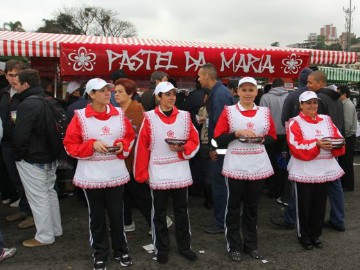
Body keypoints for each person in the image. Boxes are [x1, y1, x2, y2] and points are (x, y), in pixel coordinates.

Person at [63, 78, 135, 269]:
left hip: (114, 173)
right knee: (96, 216)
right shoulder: (80, 117)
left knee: (117, 214)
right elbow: (70, 145)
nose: (107, 93)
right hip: (91, 175)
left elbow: (129, 136)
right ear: (91, 94)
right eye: (101, 90)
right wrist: (91, 145)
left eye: (108, 90)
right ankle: (100, 252)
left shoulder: (119, 114)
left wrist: (122, 145)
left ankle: (121, 250)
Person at [134, 81, 199, 264]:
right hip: (159, 170)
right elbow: (142, 148)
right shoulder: (148, 118)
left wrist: (184, 147)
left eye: (173, 94)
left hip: (179, 171)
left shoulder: (185, 117)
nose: (171, 98)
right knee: (159, 212)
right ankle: (162, 247)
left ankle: (185, 246)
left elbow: (194, 140)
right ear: (158, 97)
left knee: (181, 211)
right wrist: (142, 174)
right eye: (167, 94)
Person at [214, 77, 276, 262]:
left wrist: (262, 139)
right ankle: (234, 245)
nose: (248, 93)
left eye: (251, 90)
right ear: (237, 92)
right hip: (236, 165)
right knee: (233, 207)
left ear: (256, 92)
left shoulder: (264, 112)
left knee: (252, 207)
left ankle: (251, 244)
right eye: (244, 90)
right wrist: (236, 133)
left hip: (257, 164)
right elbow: (217, 138)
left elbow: (272, 136)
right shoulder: (229, 112)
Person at [286, 91, 345, 250]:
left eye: (315, 102)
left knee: (319, 205)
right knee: (304, 206)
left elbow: (338, 137)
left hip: (323, 170)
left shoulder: (326, 119)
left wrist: (335, 143)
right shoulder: (294, 122)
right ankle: (304, 236)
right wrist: (317, 144)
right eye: (308, 103)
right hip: (304, 171)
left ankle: (315, 235)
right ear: (301, 105)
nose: (312, 106)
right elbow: (296, 145)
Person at [12, 69, 63, 247]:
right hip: (51, 155)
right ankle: (55, 229)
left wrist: (17, 155)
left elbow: (21, 135)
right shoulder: (49, 100)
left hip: (33, 157)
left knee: (39, 197)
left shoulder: (27, 104)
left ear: (26, 85)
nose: (14, 86)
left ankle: (45, 236)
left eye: (16, 83)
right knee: (49, 193)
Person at [197, 63, 235, 234]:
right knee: (220, 186)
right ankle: (223, 220)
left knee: (219, 186)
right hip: (222, 147)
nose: (198, 79)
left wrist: (214, 149)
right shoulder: (219, 93)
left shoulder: (219, 95)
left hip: (221, 149)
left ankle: (222, 222)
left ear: (206, 76)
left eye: (199, 76)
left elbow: (220, 129)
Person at [307, 70, 346, 232]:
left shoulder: (320, 99)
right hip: (334, 145)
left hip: (324, 148)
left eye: (310, 82)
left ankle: (298, 218)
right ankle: (338, 219)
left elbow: (316, 124)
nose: (307, 85)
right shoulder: (336, 98)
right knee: (334, 185)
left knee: (309, 183)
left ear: (320, 83)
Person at [260, 78, 290, 204]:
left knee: (271, 161)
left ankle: (272, 189)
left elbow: (262, 117)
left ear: (272, 86)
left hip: (271, 135)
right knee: (284, 161)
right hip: (287, 134)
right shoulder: (290, 96)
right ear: (283, 85)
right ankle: (284, 188)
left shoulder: (265, 97)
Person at [338, 85, 357, 191]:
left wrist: (343, 136)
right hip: (348, 136)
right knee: (345, 161)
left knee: (347, 162)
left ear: (344, 95)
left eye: (338, 93)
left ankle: (348, 185)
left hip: (349, 137)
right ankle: (346, 184)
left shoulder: (348, 105)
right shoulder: (345, 104)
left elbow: (347, 123)